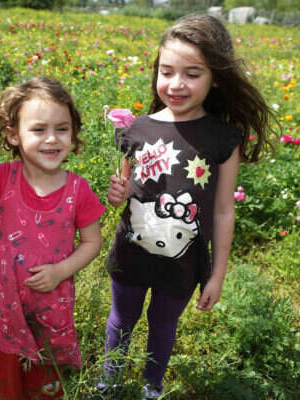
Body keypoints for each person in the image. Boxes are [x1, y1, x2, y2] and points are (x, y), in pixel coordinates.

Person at [98, 13, 276, 399]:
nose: (176, 84)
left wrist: (217, 275)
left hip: (183, 262)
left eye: (192, 74)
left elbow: (224, 210)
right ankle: (108, 382)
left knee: (163, 325)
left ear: (216, 78)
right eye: (167, 72)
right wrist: (117, 194)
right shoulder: (137, 129)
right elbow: (125, 191)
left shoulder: (223, 138)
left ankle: (152, 386)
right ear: (156, 72)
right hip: (131, 252)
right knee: (121, 320)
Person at [0, 77, 105, 399]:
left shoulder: (78, 189)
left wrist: (61, 271)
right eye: (39, 129)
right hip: (4, 300)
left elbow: (92, 243)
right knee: (5, 375)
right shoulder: (4, 176)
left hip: (51, 302)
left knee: (45, 375)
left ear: (73, 133)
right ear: (14, 135)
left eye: (62, 128)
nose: (52, 139)